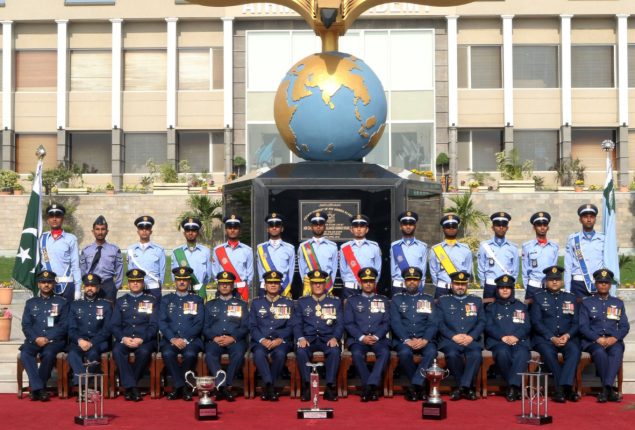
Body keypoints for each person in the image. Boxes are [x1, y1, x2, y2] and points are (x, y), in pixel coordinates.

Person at [530, 266, 580, 403]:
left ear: (562, 282)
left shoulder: (570, 297)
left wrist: (567, 335)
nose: (554, 282)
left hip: (566, 338)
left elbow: (576, 323)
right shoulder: (539, 297)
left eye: (557, 279)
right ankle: (566, 389)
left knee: (574, 351)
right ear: (546, 281)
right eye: (551, 280)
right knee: (547, 353)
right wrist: (552, 337)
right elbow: (536, 322)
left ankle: (561, 389)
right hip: (545, 339)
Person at [579, 268, 630, 403]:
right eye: (600, 282)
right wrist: (597, 338)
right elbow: (583, 326)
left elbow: (625, 326)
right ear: (596, 284)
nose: (603, 285)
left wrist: (615, 338)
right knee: (600, 353)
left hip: (613, 340)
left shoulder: (618, 303)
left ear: (610, 285)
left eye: (606, 283)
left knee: (617, 350)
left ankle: (605, 389)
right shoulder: (587, 303)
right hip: (593, 341)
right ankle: (609, 389)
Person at [389, 267, 438, 401]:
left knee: (431, 352)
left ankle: (415, 385)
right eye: (409, 279)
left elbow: (433, 323)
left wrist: (425, 339)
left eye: (415, 280)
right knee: (404, 353)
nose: (411, 282)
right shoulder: (397, 299)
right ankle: (419, 386)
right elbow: (395, 322)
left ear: (420, 282)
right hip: (404, 340)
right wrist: (406, 340)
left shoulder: (428, 299)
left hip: (425, 340)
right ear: (404, 281)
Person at [293, 270, 343, 402]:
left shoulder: (335, 302)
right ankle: (307, 387)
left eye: (320, 283)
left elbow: (340, 324)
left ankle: (330, 387)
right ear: (310, 285)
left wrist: (335, 338)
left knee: (334, 351)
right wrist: (301, 338)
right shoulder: (302, 302)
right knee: (301, 351)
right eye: (315, 283)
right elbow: (297, 324)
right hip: (308, 339)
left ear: (325, 284)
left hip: (328, 338)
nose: (318, 286)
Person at [20, 269, 69, 401]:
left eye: (49, 282)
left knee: (48, 354)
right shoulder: (31, 303)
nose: (46, 285)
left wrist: (48, 338)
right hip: (34, 340)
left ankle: (36, 388)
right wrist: (36, 338)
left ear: (53, 284)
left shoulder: (62, 302)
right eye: (43, 282)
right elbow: (26, 325)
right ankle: (39, 388)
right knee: (25, 353)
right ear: (38, 285)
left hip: (53, 341)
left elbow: (64, 325)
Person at [111, 269, 159, 401]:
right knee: (117, 351)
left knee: (144, 352)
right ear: (128, 283)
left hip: (144, 340)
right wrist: (123, 338)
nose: (136, 284)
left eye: (138, 281)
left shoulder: (151, 300)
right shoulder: (121, 301)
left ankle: (128, 387)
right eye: (133, 281)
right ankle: (133, 387)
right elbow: (114, 325)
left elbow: (154, 325)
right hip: (125, 339)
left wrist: (142, 339)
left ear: (143, 283)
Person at [343, 267, 390, 402]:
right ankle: (371, 386)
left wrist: (376, 336)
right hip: (359, 340)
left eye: (371, 281)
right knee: (357, 354)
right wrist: (362, 337)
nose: (368, 284)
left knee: (385, 353)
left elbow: (386, 323)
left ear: (375, 283)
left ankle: (369, 386)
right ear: (360, 283)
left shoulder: (383, 300)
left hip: (378, 339)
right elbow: (349, 323)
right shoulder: (352, 300)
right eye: (365, 281)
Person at [437, 271, 484, 401]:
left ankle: (462, 388)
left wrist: (472, 336)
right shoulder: (443, 301)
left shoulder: (476, 301)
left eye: (463, 284)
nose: (460, 287)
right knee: (451, 354)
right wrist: (453, 336)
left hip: (471, 340)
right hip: (450, 340)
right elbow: (439, 323)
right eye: (457, 284)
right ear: (451, 284)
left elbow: (482, 322)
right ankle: (467, 387)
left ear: (467, 285)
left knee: (475, 355)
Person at [159, 267, 204, 401]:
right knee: (167, 353)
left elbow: (199, 323)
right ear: (175, 281)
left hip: (191, 340)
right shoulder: (167, 300)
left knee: (190, 354)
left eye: (185, 280)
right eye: (179, 280)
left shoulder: (197, 300)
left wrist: (185, 339)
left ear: (189, 281)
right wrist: (172, 338)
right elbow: (162, 322)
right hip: (170, 340)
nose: (182, 282)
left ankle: (178, 387)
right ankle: (182, 386)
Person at [204, 270, 249, 401]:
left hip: (235, 340)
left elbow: (245, 326)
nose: (224, 286)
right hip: (215, 340)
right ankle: (222, 385)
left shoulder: (241, 304)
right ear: (218, 286)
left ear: (232, 286)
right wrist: (214, 337)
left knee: (238, 355)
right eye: (222, 284)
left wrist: (233, 338)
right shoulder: (210, 304)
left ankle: (226, 386)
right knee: (210, 355)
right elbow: (205, 326)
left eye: (228, 284)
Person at [484, 275, 531, 402]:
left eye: (508, 288)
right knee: (502, 353)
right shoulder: (491, 307)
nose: (505, 290)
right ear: (497, 290)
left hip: (519, 341)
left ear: (512, 290)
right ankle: (516, 386)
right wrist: (502, 337)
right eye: (502, 288)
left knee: (522, 354)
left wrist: (516, 336)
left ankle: (512, 387)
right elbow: (488, 326)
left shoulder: (521, 306)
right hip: (499, 342)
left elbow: (527, 326)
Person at [250, 270, 294, 401]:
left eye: (276, 283)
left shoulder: (288, 303)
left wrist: (280, 339)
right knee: (258, 354)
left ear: (280, 286)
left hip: (281, 341)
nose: (273, 285)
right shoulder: (256, 303)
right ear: (265, 285)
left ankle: (269, 386)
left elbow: (292, 326)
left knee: (280, 355)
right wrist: (262, 339)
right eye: (270, 283)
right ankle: (270, 386)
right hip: (261, 341)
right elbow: (252, 326)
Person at [67, 273, 112, 393]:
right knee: (72, 354)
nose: (90, 288)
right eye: (87, 285)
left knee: (93, 355)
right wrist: (80, 340)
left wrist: (92, 343)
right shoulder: (75, 305)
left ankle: (83, 388)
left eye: (93, 285)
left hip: (98, 342)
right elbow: (71, 329)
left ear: (98, 288)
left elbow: (107, 329)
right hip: (79, 342)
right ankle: (84, 387)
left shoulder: (106, 305)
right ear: (84, 287)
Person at [40, 203, 82, 301]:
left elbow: (76, 265)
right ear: (48, 220)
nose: (54, 219)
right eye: (51, 216)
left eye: (58, 216)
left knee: (67, 315)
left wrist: (78, 289)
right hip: (47, 285)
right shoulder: (42, 239)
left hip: (67, 286)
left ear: (62, 219)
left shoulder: (71, 239)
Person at [564, 204, 605, 299]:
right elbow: (568, 266)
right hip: (578, 284)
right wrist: (567, 289)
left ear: (595, 219)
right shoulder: (573, 239)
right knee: (578, 313)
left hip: (598, 283)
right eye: (585, 217)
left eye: (592, 217)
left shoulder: (603, 239)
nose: (589, 219)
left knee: (598, 313)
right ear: (580, 219)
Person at [80, 215, 123, 303]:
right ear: (93, 231)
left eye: (103, 229)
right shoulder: (86, 250)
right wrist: (87, 284)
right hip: (91, 285)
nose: (100, 232)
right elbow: (82, 270)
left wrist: (115, 287)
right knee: (90, 311)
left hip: (108, 285)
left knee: (109, 312)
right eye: (97, 229)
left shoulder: (114, 250)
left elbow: (120, 270)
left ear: (107, 231)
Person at [477, 212, 519, 301]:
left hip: (507, 286)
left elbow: (515, 270)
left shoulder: (513, 247)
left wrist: (511, 284)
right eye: (497, 224)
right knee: (489, 311)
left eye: (504, 225)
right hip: (490, 286)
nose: (501, 227)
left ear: (507, 228)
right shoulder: (484, 246)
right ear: (492, 227)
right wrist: (483, 284)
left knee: (507, 313)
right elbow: (481, 267)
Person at [429, 214, 473, 299]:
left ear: (457, 228)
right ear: (443, 229)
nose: (451, 228)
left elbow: (468, 271)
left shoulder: (465, 249)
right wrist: (440, 284)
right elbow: (433, 271)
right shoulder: (436, 249)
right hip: (442, 289)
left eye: (454, 226)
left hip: (459, 288)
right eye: (448, 226)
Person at [212, 214, 253, 301]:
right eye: (230, 228)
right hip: (223, 288)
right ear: (226, 230)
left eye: (235, 228)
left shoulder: (247, 250)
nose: (232, 230)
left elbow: (250, 272)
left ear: (240, 230)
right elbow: (215, 272)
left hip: (241, 290)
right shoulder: (217, 250)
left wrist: (244, 286)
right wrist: (222, 286)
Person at [339, 215, 382, 299]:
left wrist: (373, 285)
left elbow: (378, 269)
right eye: (355, 226)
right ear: (351, 229)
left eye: (362, 226)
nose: (359, 229)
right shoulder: (344, 248)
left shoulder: (374, 247)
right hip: (350, 289)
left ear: (367, 229)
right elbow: (343, 270)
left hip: (369, 287)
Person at [298, 211, 338, 296]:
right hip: (309, 286)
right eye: (315, 225)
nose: (318, 227)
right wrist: (307, 285)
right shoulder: (303, 246)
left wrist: (329, 285)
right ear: (311, 227)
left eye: (321, 225)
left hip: (326, 285)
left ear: (325, 227)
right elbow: (302, 269)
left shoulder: (333, 247)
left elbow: (334, 270)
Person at [171, 217, 213, 299]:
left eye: (193, 230)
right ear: (184, 233)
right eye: (188, 230)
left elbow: (208, 275)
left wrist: (200, 286)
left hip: (199, 292)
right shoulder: (176, 252)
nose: (190, 233)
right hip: (182, 291)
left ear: (197, 233)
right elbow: (174, 275)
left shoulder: (205, 251)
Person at [126, 216, 166, 302]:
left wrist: (158, 286)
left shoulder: (159, 250)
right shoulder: (131, 250)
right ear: (138, 231)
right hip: (137, 289)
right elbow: (130, 270)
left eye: (147, 228)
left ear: (151, 231)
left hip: (153, 289)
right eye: (141, 228)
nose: (144, 231)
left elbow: (162, 272)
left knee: (155, 314)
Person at [521, 212, 559, 302]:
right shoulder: (527, 246)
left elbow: (554, 269)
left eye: (544, 224)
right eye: (539, 225)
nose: (542, 227)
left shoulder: (554, 247)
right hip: (533, 288)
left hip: (549, 287)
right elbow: (525, 271)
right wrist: (528, 288)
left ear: (548, 227)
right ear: (534, 227)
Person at [256, 213, 296, 297]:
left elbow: (291, 271)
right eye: (271, 226)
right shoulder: (260, 248)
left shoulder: (290, 248)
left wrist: (287, 287)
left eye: (277, 226)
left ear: (282, 229)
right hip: (265, 288)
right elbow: (260, 270)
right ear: (268, 229)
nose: (274, 228)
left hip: (283, 287)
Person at [389, 211, 428, 296]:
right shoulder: (394, 246)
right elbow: (393, 270)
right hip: (399, 286)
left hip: (416, 286)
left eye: (411, 224)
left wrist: (421, 285)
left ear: (415, 226)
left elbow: (423, 270)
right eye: (405, 224)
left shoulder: (422, 246)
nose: (408, 226)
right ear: (401, 227)